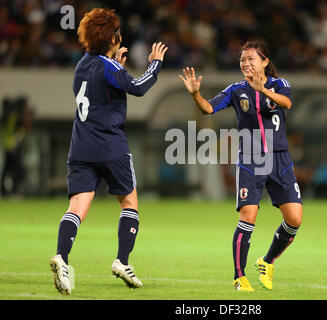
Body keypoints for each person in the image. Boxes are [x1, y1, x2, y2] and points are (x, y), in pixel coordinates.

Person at [49, 7, 168, 295]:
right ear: (112, 38)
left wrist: (115, 63)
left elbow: (100, 87)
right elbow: (138, 87)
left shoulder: (83, 65)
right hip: (110, 146)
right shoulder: (110, 67)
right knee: (129, 203)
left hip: (80, 146)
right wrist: (155, 64)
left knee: (77, 207)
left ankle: (62, 258)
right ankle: (122, 261)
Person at [179, 40, 303, 291]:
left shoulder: (280, 84)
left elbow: (287, 103)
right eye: (242, 60)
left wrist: (263, 90)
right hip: (251, 159)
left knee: (294, 219)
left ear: (265, 62)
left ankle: (267, 262)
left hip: (279, 159)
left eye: (251, 59)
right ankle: (239, 277)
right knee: (249, 216)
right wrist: (195, 94)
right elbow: (208, 108)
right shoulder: (236, 90)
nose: (246, 64)